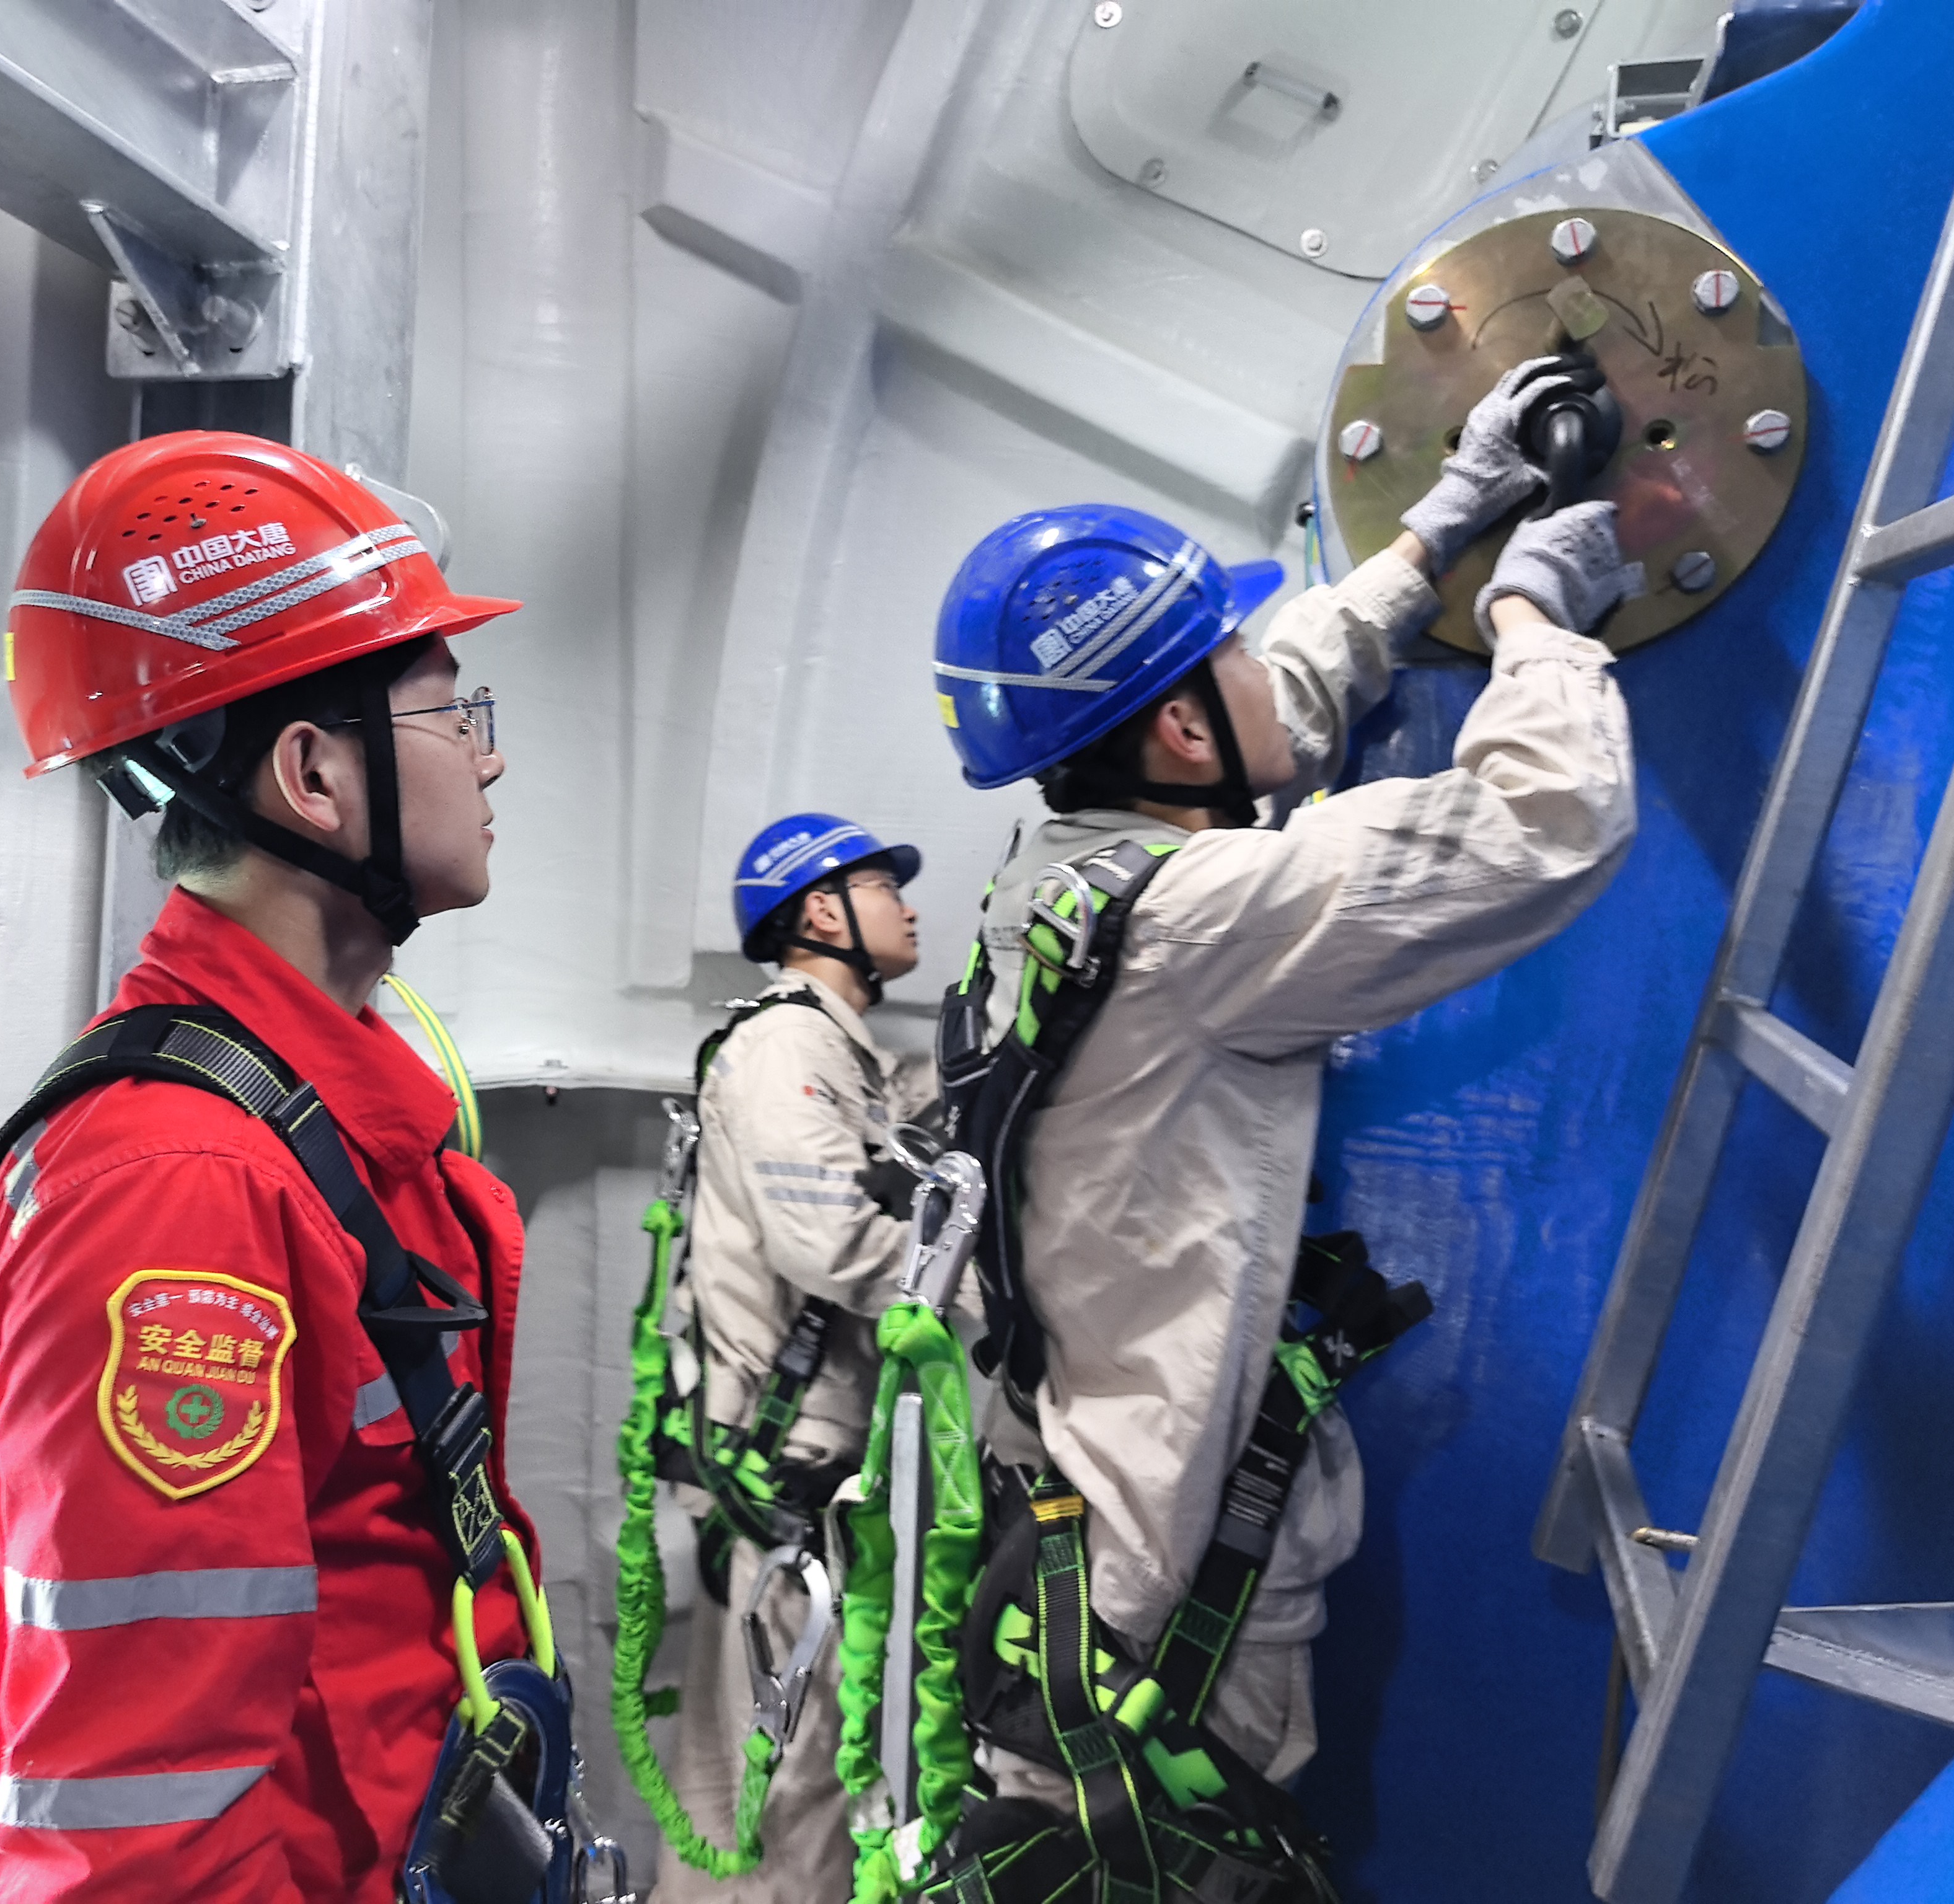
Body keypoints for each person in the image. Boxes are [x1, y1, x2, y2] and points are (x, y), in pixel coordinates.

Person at [922, 358, 1639, 1890]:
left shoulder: (1056, 879)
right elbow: (1543, 820)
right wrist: (1532, 620)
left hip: (1078, 1553)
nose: (1264, 661)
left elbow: (1272, 701)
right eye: (1226, 649)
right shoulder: (1200, 920)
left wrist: (1436, 527)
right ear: (1178, 734)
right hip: (1178, 1601)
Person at [0, 430, 551, 1903]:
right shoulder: (175, 1189)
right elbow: (138, 1824)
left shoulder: (310, 1126)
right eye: (449, 710)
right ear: (313, 775)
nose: (487, 756)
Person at [645, 814, 934, 1904]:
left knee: (750, 1774)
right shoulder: (788, 1048)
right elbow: (831, 1245)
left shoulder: (838, 1055)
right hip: (791, 1471)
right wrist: (976, 1279)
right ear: (821, 910)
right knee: (792, 1777)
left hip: (786, 1464)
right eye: (883, 887)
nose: (908, 906)